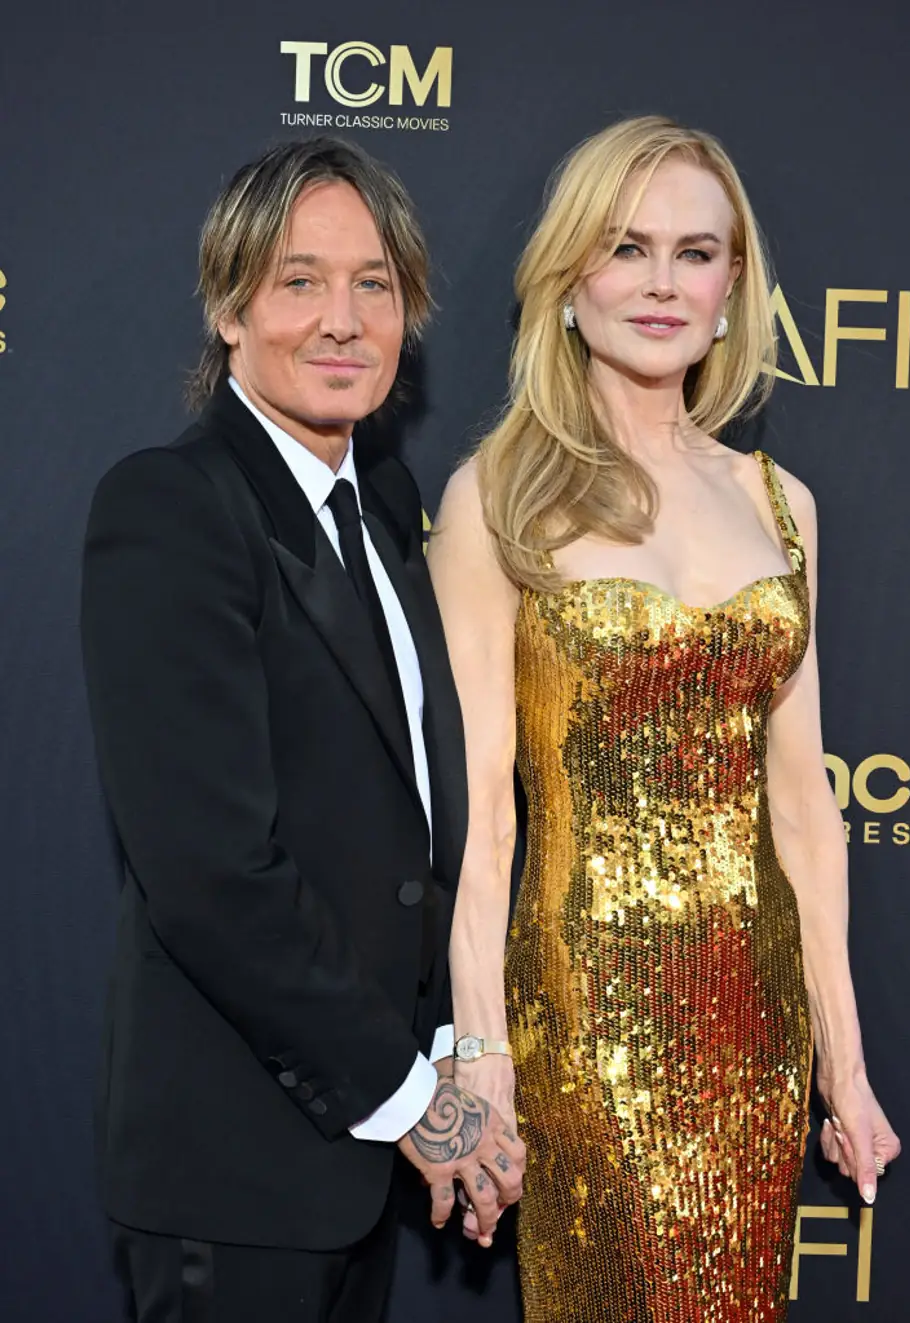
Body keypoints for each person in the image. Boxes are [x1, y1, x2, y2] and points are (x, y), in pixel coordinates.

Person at [427, 116, 900, 1321]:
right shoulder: (498, 497)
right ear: (568, 277)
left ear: (732, 287)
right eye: (626, 248)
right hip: (585, 1013)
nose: (661, 283)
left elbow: (803, 809)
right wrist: (479, 1054)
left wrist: (842, 1068)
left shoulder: (780, 504)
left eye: (695, 253)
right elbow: (479, 816)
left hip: (753, 1018)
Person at [80, 136, 524, 1323]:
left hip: (352, 1169)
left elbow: (404, 826)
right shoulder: (172, 507)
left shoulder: (385, 504)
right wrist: (415, 1104)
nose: (341, 320)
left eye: (373, 284)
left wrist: (448, 1060)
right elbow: (211, 874)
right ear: (229, 311)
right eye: (299, 281)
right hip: (232, 1169)